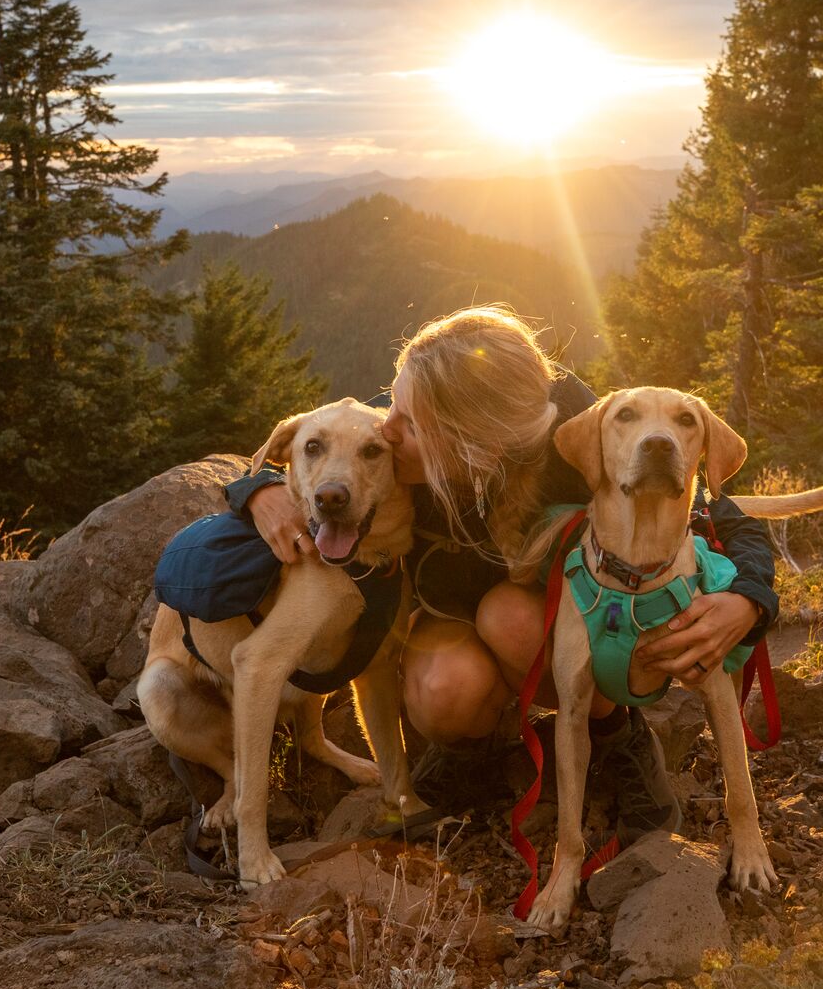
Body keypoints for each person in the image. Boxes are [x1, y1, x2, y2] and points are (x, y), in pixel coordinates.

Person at [224, 306, 779, 841]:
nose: (387, 430)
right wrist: (259, 490)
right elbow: (317, 439)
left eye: (408, 423)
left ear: (470, 445)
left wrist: (748, 600)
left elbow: (721, 517)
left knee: (508, 614)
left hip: (552, 624)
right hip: (448, 623)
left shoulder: (570, 439)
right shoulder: (403, 423)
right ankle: (473, 752)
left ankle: (615, 736)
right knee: (443, 688)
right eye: (392, 407)